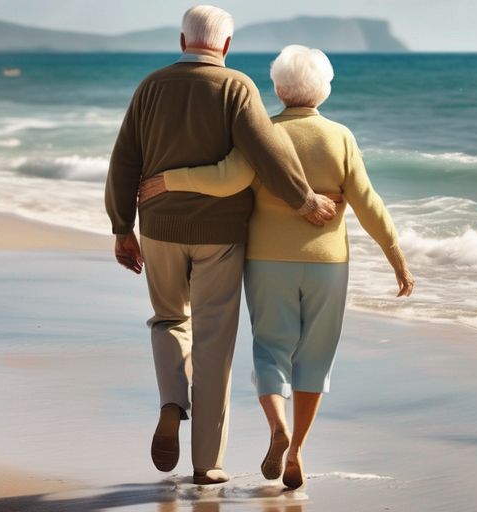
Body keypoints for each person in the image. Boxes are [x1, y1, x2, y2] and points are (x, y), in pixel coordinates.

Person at [138, 44, 415, 490]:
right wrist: (396, 258)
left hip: (266, 260)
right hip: (328, 263)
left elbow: (225, 178)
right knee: (315, 357)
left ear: (278, 87)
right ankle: (297, 449)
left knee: (270, 350)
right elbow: (367, 202)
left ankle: (276, 427)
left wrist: (170, 180)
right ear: (324, 89)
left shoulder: (262, 132)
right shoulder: (340, 136)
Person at [103, 7, 338, 485]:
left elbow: (124, 157)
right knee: (214, 344)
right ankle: (207, 464)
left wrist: (121, 226)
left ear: (182, 40)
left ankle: (172, 403)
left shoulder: (150, 86)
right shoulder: (236, 87)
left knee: (170, 319)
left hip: (160, 228)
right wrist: (305, 200)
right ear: (226, 46)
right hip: (220, 236)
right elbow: (267, 149)